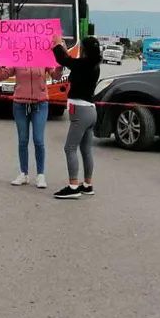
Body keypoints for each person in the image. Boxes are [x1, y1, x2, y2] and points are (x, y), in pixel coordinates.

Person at [0, 62, 62, 188]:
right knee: (23, 140)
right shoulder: (17, 58)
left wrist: (59, 66)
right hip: (20, 103)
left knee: (38, 140)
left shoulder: (43, 57)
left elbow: (55, 76)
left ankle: (41, 175)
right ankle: (23, 173)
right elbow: (2, 76)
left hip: (40, 104)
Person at [50, 35, 103, 200]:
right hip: (90, 110)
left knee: (70, 148)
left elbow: (63, 59)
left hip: (80, 111)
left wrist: (57, 44)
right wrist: (64, 49)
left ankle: (73, 186)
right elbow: (69, 61)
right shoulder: (92, 65)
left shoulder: (83, 64)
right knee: (86, 150)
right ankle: (87, 185)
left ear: (84, 49)